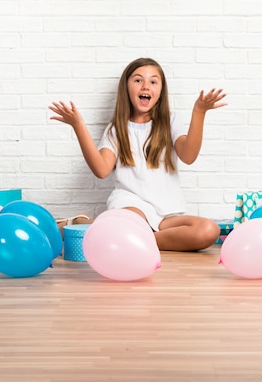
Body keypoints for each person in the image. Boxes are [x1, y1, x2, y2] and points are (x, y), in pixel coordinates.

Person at [48, 57, 227, 251]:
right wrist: (78, 125)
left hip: (166, 213)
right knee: (135, 223)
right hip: (131, 205)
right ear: (126, 88)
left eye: (153, 81)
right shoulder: (117, 129)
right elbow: (101, 169)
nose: (145, 86)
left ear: (160, 91)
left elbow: (188, 156)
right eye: (138, 80)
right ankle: (131, 235)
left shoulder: (170, 122)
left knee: (209, 230)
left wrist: (199, 112)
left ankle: (118, 234)